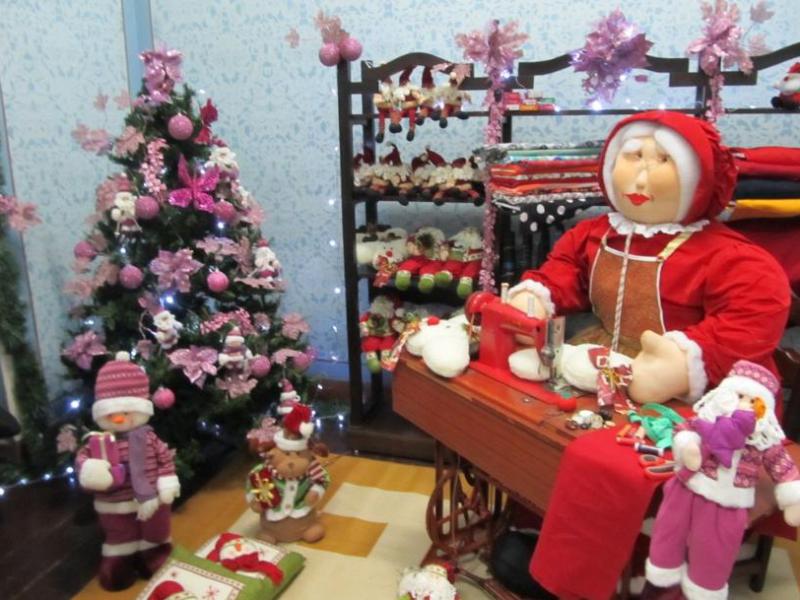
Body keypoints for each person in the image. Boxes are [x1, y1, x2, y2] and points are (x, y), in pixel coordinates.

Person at [508, 111, 791, 405]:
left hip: (689, 391)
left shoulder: (732, 258)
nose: (640, 180)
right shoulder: (595, 235)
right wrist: (535, 300)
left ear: (700, 179)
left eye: (664, 160)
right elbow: (563, 272)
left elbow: (751, 319)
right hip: (606, 362)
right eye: (633, 157)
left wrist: (682, 364)